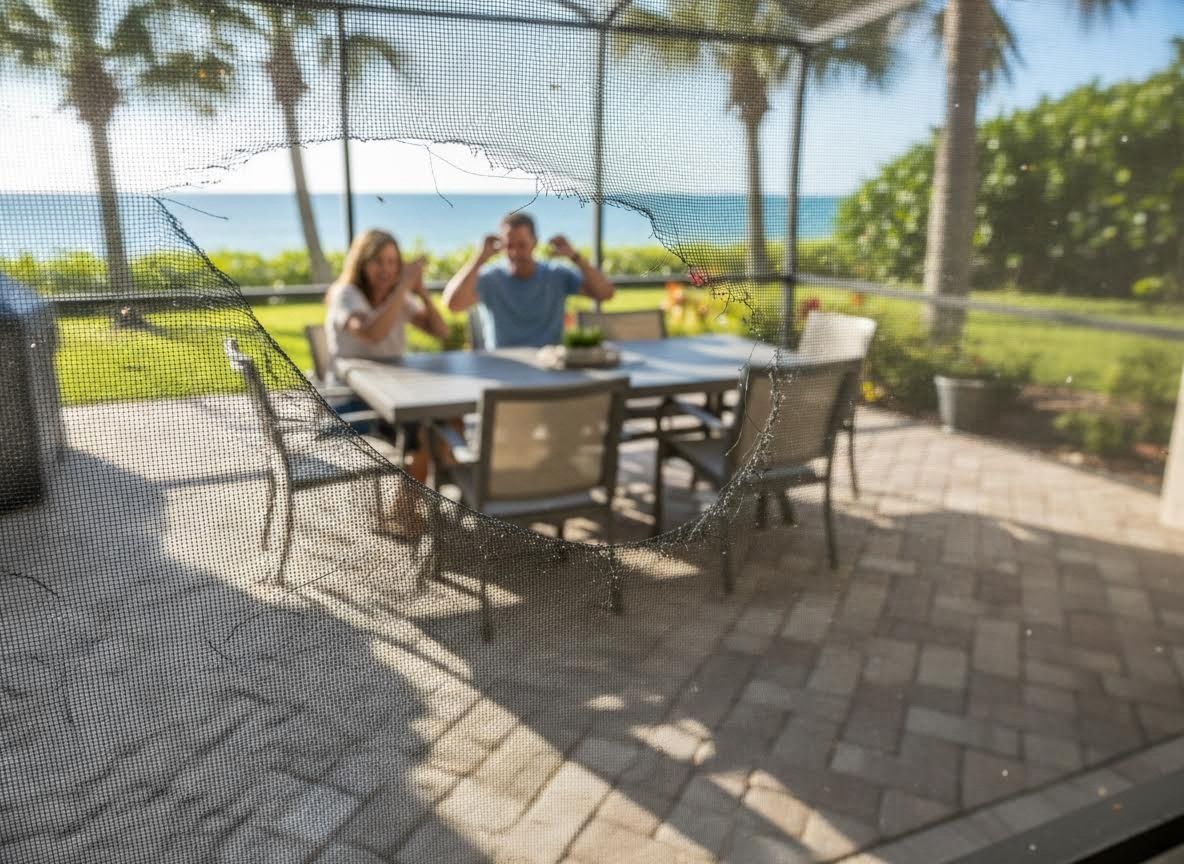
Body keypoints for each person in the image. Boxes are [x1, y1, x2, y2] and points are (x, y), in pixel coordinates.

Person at [325, 228, 449, 490]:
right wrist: (402, 287)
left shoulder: (397, 299)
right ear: (362, 263)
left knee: (447, 423)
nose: (386, 270)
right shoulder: (346, 295)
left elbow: (440, 331)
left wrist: (421, 292)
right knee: (426, 434)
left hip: (392, 396)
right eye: (378, 261)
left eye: (392, 262)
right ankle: (411, 505)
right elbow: (372, 333)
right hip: (352, 404)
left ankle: (432, 498)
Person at [443, 212, 615, 348]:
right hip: (504, 365)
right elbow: (452, 304)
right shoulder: (489, 278)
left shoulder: (556, 274)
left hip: (549, 363)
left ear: (535, 242)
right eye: (509, 245)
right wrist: (479, 258)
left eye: (522, 245)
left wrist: (575, 257)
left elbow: (605, 293)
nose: (515, 252)